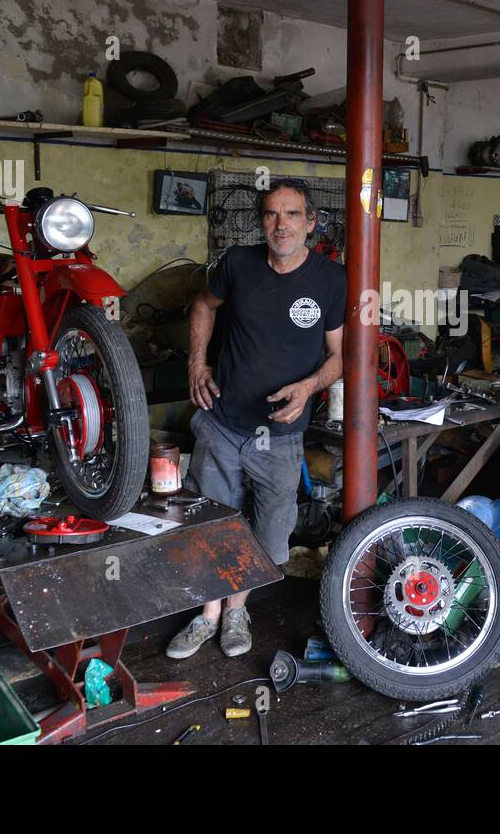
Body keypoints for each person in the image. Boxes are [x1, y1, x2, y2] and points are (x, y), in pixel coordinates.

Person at [167, 179, 345, 660]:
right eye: (271, 214)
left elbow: (339, 354)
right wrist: (197, 364)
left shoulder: (331, 279)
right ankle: (208, 615)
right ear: (261, 221)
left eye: (291, 215)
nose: (280, 224)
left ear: (310, 222)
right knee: (214, 523)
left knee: (268, 532)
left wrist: (309, 387)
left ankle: (237, 610)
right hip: (223, 421)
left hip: (281, 435)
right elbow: (203, 306)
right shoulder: (238, 265)